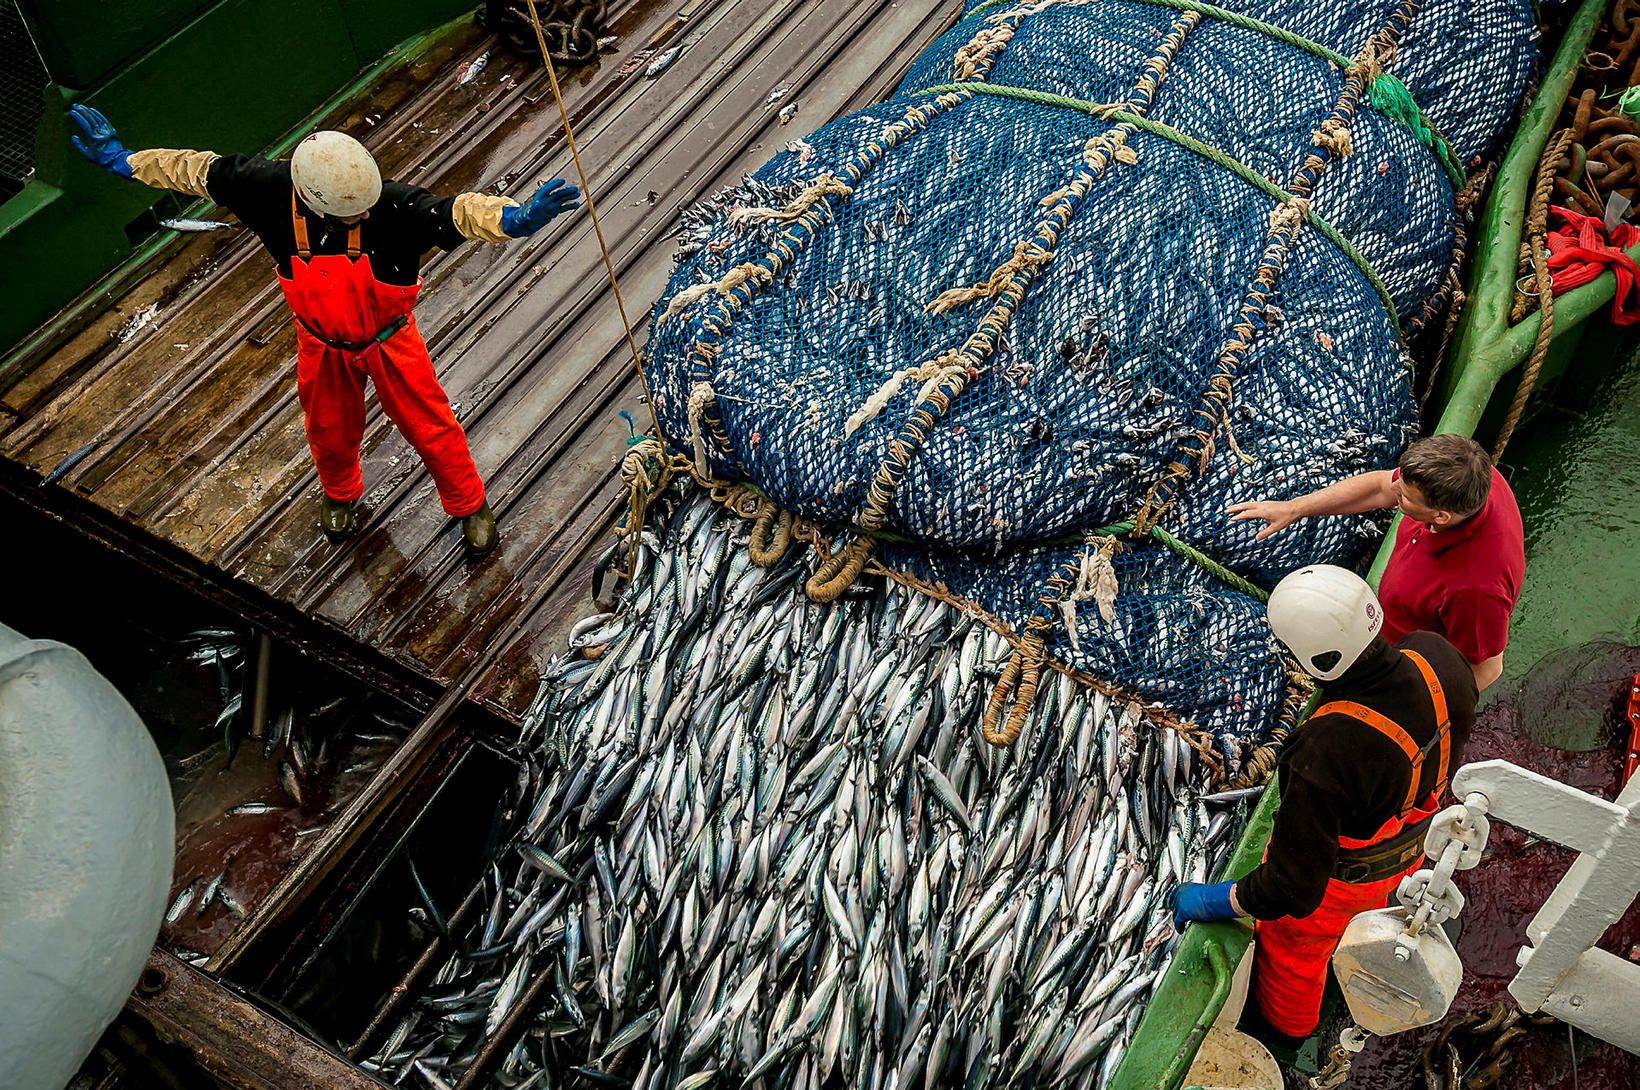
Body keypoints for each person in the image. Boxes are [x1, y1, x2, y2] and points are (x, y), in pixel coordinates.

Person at [67, 105, 581, 557]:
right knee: (329, 429)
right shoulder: (265, 187)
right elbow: (195, 170)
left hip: (389, 340)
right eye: (350, 211)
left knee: (431, 425)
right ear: (308, 196)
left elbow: (455, 211)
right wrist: (126, 161)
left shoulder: (393, 207)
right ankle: (340, 494)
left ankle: (469, 504)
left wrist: (513, 218)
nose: (364, 215)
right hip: (321, 343)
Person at [1167, 565, 1478, 1044]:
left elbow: (1291, 891)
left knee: (1294, 959)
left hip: (1341, 887)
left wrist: (1214, 899)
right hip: (1412, 846)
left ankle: (1289, 1035)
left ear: (1319, 661)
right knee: (1376, 903)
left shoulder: (1324, 750)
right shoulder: (1436, 656)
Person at [1227, 434, 1524, 691]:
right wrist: (1294, 509)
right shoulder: (1471, 473)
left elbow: (1486, 669)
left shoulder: (1475, 590)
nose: (1396, 493)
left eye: (1405, 498)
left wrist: (1412, 705)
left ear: (1441, 516)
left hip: (1401, 664)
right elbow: (1382, 487)